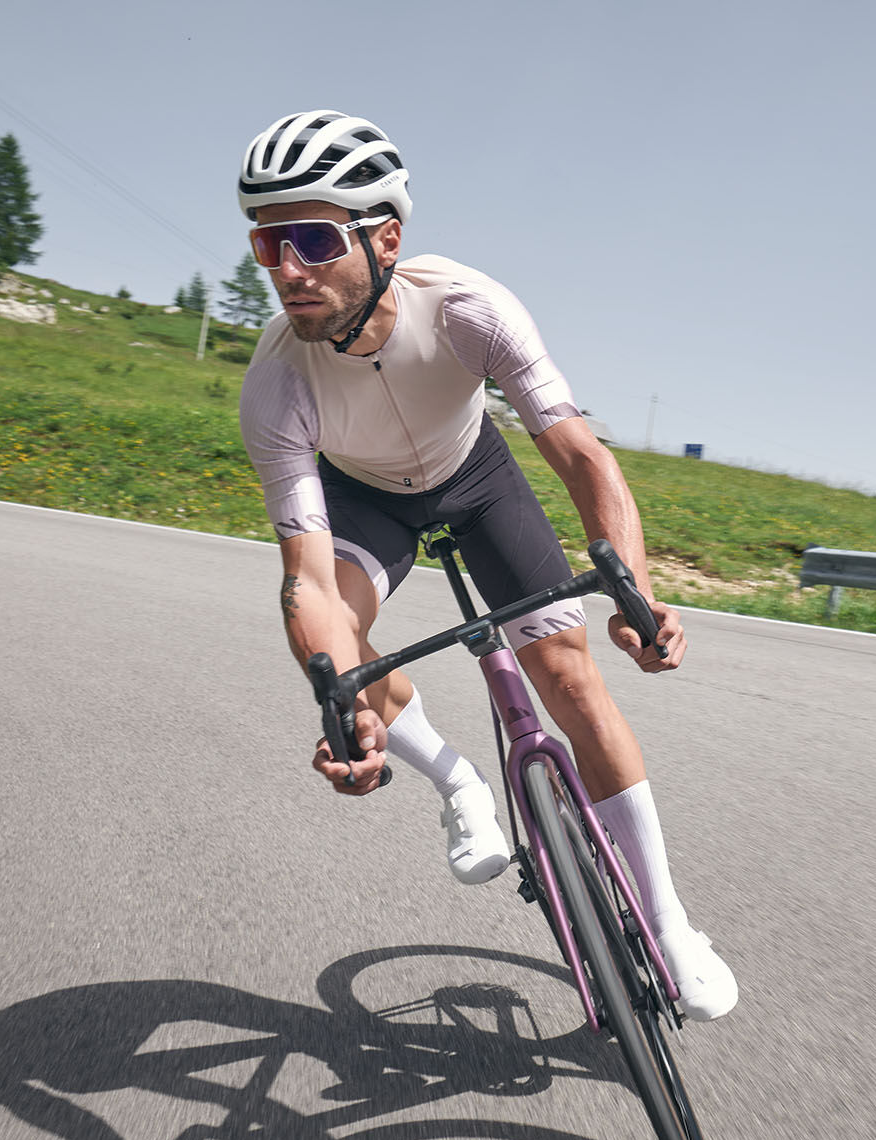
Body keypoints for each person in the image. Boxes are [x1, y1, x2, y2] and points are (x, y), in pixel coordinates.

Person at [234, 110, 736, 1020]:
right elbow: (307, 579)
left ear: (387, 236)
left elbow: (585, 460)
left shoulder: (468, 307)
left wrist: (634, 591)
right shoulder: (276, 384)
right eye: (269, 243)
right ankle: (458, 779)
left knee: (569, 676)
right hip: (368, 499)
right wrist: (344, 706)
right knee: (330, 639)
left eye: (312, 238)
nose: (288, 270)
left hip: (475, 477)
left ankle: (669, 927)